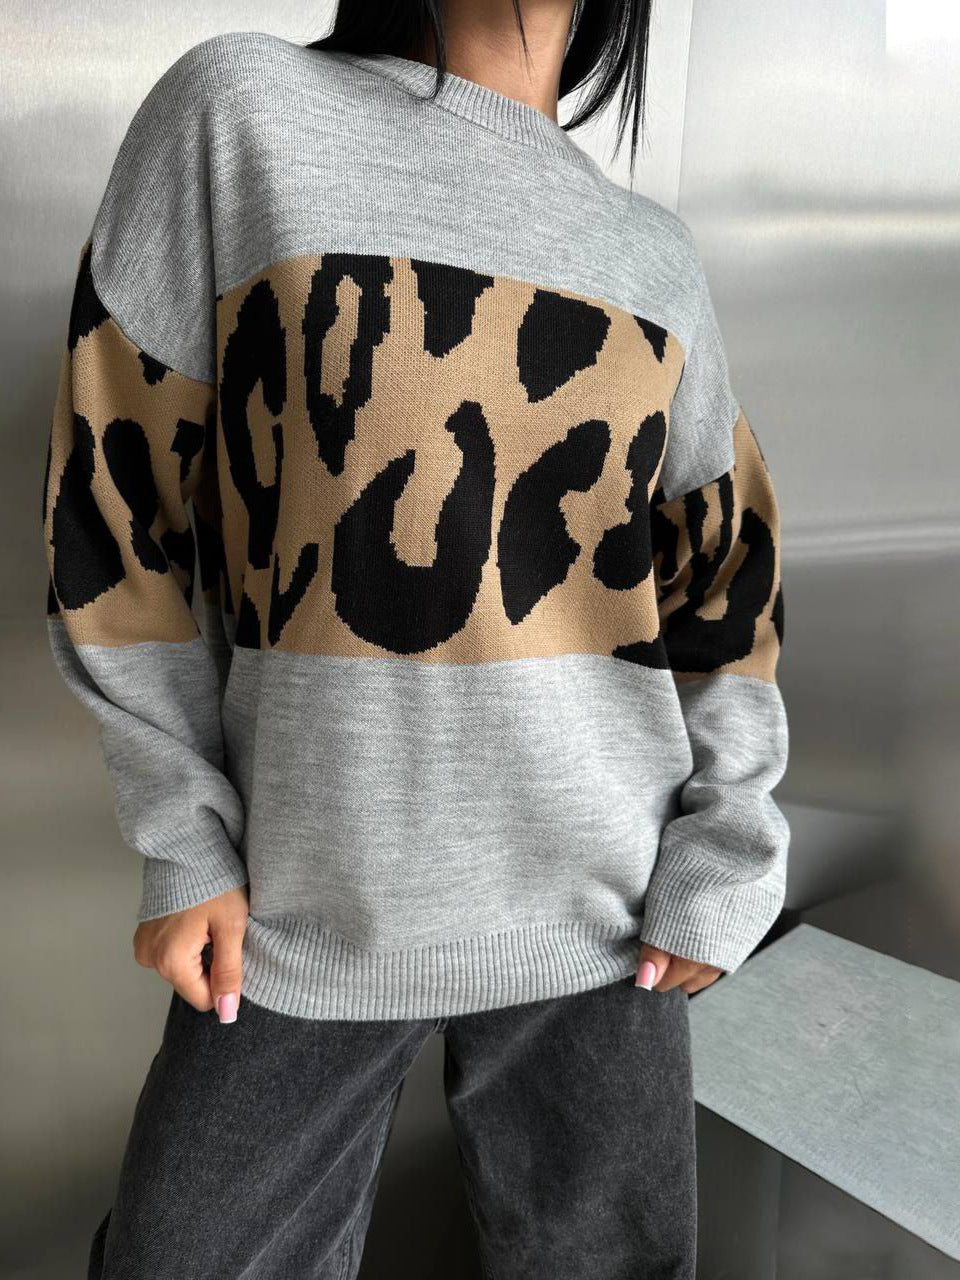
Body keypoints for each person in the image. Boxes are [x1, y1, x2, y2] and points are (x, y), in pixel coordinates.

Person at [40, 2, 790, 1276]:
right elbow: (114, 511)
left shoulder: (652, 255)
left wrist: (728, 847)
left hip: (610, 918)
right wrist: (183, 831)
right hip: (298, 904)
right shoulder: (243, 115)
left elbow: (726, 581)